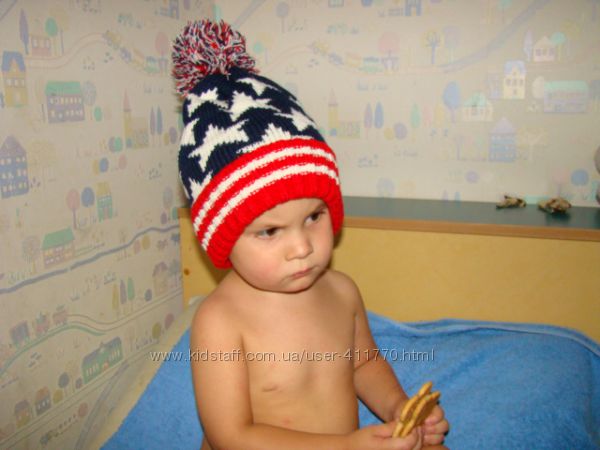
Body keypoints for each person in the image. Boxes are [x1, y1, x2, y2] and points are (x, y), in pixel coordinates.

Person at [172, 19, 449, 450]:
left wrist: (397, 409)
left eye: (314, 217)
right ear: (221, 240)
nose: (302, 247)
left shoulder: (341, 292)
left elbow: (363, 364)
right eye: (269, 231)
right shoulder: (220, 322)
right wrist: (349, 447)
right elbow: (231, 435)